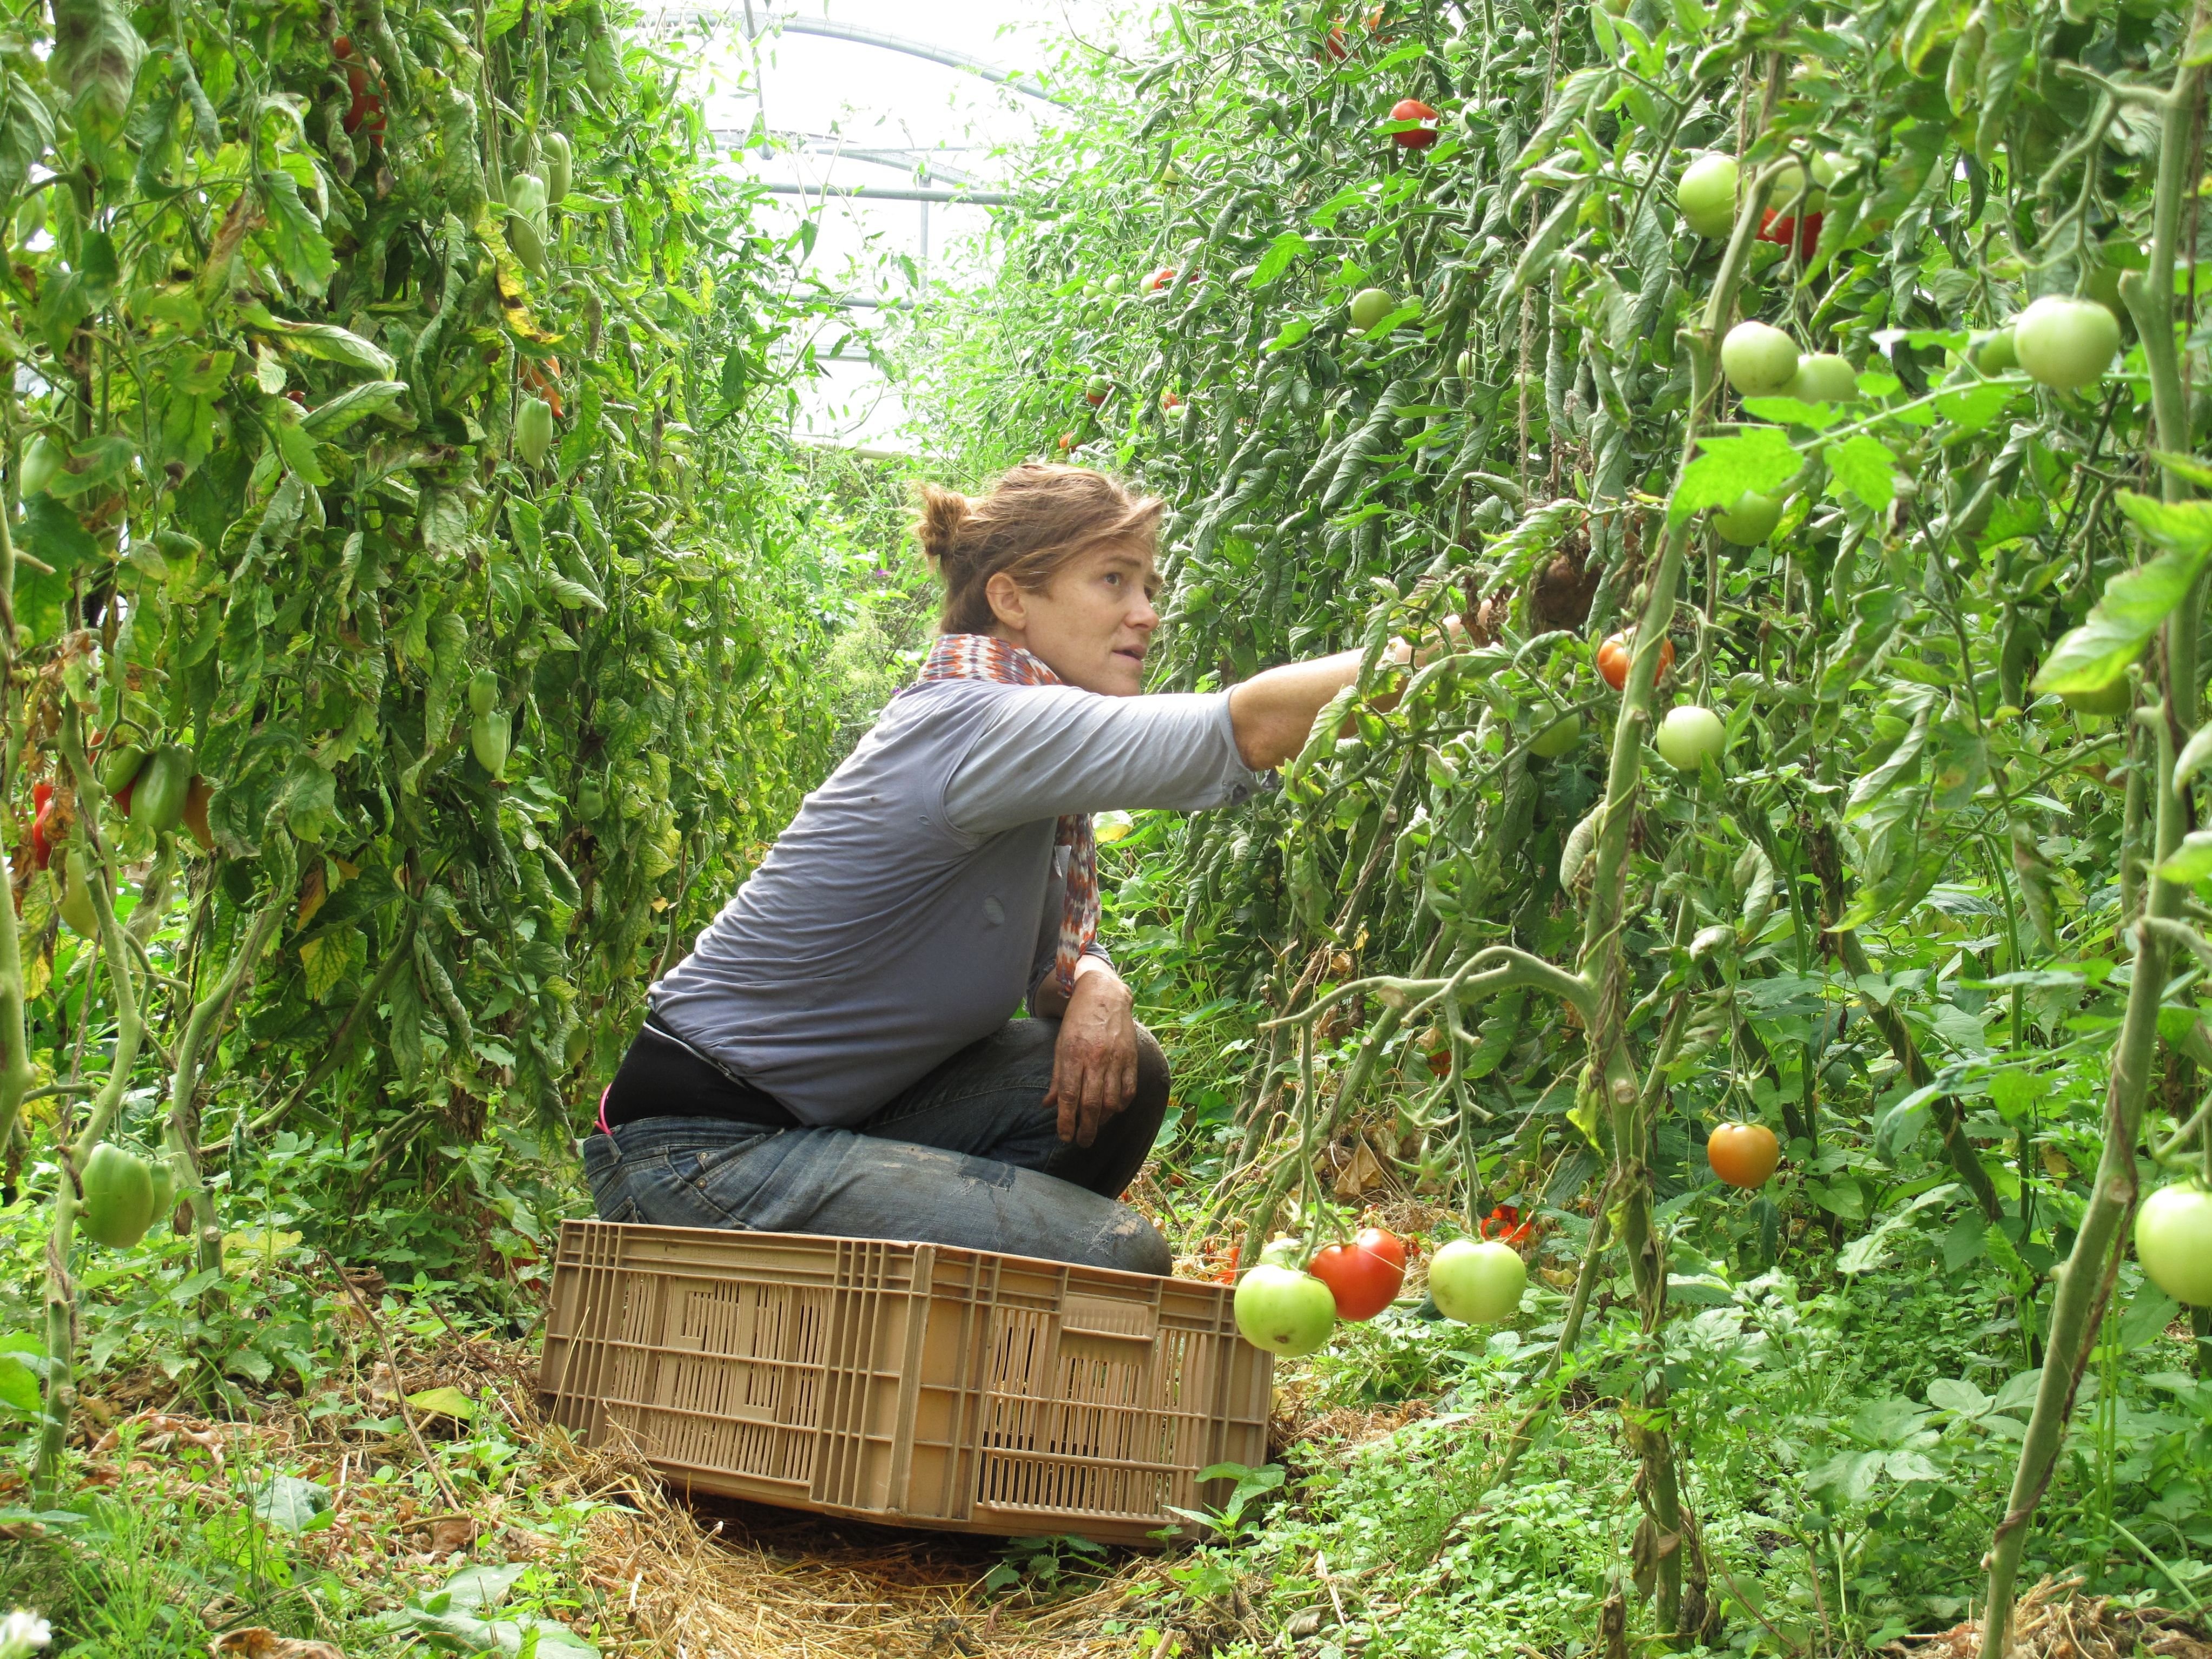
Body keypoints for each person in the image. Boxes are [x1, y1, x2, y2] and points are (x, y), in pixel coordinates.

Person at [580, 463, 1425, 1274]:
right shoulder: (980, 721)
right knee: (1115, 1253)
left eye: (1149, 589)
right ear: (1011, 597)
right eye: (1113, 581)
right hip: (692, 1150)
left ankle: (936, 1343)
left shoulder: (1020, 760)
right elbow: (1253, 731)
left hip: (816, 1121)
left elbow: (1035, 968)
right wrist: (1452, 641)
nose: (1145, 615)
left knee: (1128, 1071)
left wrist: (1094, 975)